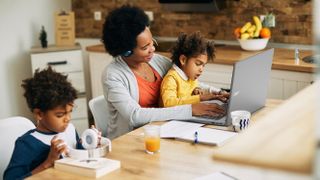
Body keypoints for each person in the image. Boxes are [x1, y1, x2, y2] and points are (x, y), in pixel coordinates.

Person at [101, 5, 225, 139]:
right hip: (132, 139)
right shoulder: (113, 75)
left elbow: (186, 79)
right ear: (126, 51)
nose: (153, 49)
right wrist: (190, 109)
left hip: (165, 130)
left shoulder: (156, 61)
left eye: (152, 42)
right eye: (145, 47)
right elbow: (134, 116)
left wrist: (217, 92)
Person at [4, 67, 83, 179]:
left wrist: (89, 143)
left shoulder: (70, 129)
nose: (68, 119)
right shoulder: (26, 144)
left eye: (70, 112)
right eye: (60, 115)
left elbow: (79, 157)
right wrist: (48, 162)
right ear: (39, 114)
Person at [160, 31, 230, 108]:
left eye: (203, 65)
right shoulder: (171, 79)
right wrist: (200, 98)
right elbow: (168, 103)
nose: (201, 69)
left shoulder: (189, 76)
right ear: (183, 60)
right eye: (198, 64)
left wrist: (219, 92)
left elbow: (201, 86)